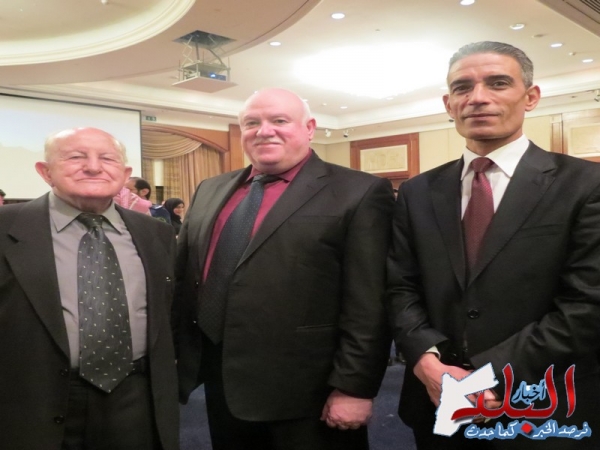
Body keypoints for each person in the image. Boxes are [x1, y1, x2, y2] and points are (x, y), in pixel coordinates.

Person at [386, 41, 600, 450]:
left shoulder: (585, 185)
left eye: (498, 83)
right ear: (449, 105)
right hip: (435, 398)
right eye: (462, 87)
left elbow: (587, 305)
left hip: (542, 403)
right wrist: (426, 360)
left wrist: (486, 374)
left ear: (530, 97)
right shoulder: (418, 191)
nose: (478, 97)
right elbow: (400, 286)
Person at [174, 88, 393, 450]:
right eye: (252, 123)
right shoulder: (210, 189)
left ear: (309, 128)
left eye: (279, 120)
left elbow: (369, 302)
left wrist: (354, 387)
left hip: (308, 393)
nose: (264, 131)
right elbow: (186, 277)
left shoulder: (359, 191)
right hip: (220, 380)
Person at [0, 127, 179, 450]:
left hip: (135, 396)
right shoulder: (5, 227)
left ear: (124, 174)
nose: (94, 167)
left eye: (107, 158)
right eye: (76, 157)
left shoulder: (155, 233)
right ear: (45, 171)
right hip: (30, 398)